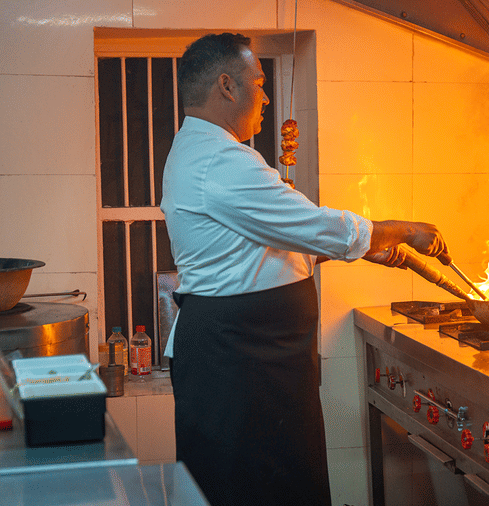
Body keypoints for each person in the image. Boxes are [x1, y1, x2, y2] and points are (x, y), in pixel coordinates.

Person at [159, 33, 447, 506]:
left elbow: (257, 249)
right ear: (227, 87)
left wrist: (357, 249)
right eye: (259, 82)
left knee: (276, 483)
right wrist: (403, 229)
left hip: (252, 359)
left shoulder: (202, 151)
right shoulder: (218, 160)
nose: (267, 96)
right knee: (252, 489)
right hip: (240, 364)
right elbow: (308, 223)